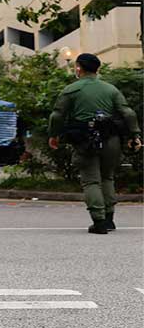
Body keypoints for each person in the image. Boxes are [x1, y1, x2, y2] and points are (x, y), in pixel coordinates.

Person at [48, 53, 142, 234]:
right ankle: (109, 219)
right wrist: (135, 135)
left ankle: (98, 221)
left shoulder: (71, 90)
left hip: (85, 140)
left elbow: (57, 115)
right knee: (108, 177)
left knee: (91, 180)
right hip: (111, 139)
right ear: (97, 69)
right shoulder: (110, 89)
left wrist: (54, 135)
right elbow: (128, 113)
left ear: (78, 68)